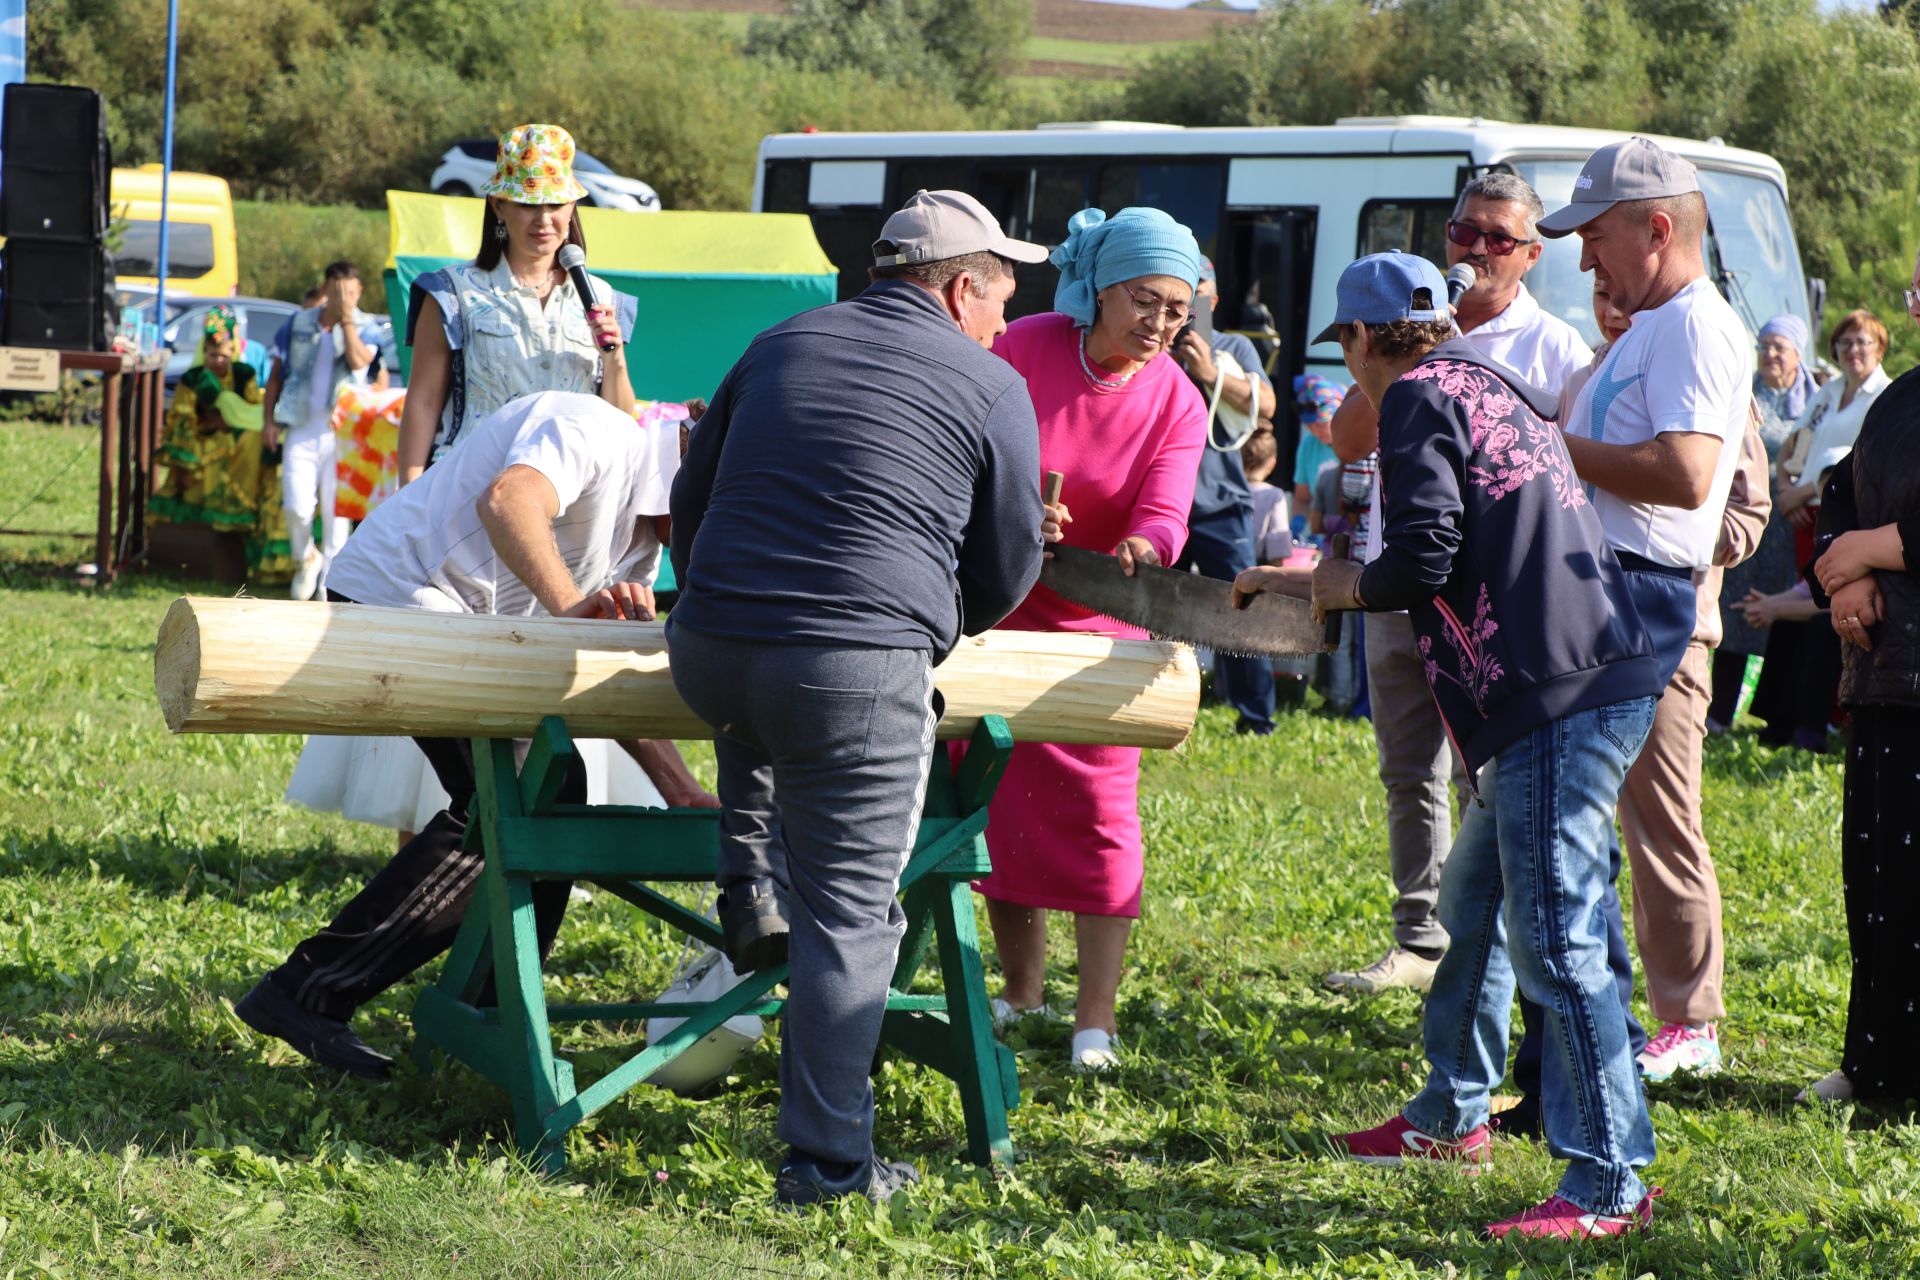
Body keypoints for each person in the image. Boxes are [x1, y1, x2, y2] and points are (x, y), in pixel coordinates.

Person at [1236, 252, 1662, 1240]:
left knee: (1557, 941)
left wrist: (1333, 582)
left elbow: (1423, 552)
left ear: (1358, 338)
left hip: (1555, 692)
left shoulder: (1420, 398)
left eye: (1341, 344)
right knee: (1472, 906)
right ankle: (1446, 1117)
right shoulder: (1487, 378)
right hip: (1570, 682)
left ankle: (1609, 1183)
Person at [666, 189, 1048, 1206]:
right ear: (961, 286)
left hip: (708, 649)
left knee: (759, 706)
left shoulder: (779, 341)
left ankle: (749, 884)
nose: (1006, 322)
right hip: (849, 666)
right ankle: (829, 1165)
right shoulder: (989, 380)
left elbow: (691, 505)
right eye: (1001, 296)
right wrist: (925, 619)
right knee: (850, 917)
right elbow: (1011, 563)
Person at [234, 390, 715, 1079]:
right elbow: (508, 501)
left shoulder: (646, 540)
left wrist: (682, 789)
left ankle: (493, 1015)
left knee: (553, 796)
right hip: (397, 595)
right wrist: (570, 610)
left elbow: (601, 668)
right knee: (519, 797)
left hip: (475, 626)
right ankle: (308, 990)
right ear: (696, 469)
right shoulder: (596, 430)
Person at [1322, 171, 1592, 996]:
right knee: (1410, 770)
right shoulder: (1408, 331)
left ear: (1532, 254)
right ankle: (1421, 939)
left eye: (1497, 239)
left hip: (1481, 603)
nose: (1476, 251)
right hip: (1396, 577)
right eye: (1463, 234)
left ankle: (1489, 949)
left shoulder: (1553, 347)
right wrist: (1404, 352)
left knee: (1491, 778)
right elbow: (1345, 439)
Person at [972, 205, 1207, 1074]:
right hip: (998, 613)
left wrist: (1146, 549)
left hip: (1100, 631)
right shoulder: (1024, 344)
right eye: (1144, 300)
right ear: (1099, 290)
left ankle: (1093, 1021)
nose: (1157, 324)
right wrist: (1012, 506)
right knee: (1000, 808)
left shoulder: (1177, 398)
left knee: (1103, 826)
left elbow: (1167, 509)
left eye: (1177, 310)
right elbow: (963, 445)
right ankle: (1022, 991)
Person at [1551, 281, 1770, 1087]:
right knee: (1578, 828)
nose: (1609, 305)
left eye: (1618, 291)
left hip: (1673, 632)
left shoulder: (1697, 377)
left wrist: (1676, 545)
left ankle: (1691, 1020)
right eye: (1598, 295)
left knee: (1662, 822)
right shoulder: (1592, 377)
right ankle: (1604, 1006)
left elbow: (1746, 512)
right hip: (1579, 627)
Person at [1800, 365, 1920, 1105]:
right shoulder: (1902, 395)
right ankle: (1880, 1060)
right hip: (1887, 673)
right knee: (1880, 877)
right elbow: (1840, 490)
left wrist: (1877, 549)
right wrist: (1846, 575)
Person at [398, 123, 636, 483]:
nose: (543, 220)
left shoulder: (601, 296)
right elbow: (423, 402)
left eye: (555, 204)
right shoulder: (450, 292)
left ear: (573, 206)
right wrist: (410, 500)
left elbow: (618, 419)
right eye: (528, 204)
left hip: (573, 493)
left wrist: (613, 357)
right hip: (471, 491)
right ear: (499, 205)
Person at [1747, 309, 1891, 751]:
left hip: (1844, 519)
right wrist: (1787, 487)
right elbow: (1795, 440)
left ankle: (1824, 720)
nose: (1852, 351)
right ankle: (1784, 720)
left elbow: (1862, 462)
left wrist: (1806, 491)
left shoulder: (1883, 396)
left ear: (1879, 348)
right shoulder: (1828, 392)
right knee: (1807, 614)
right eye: (1845, 342)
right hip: (1804, 517)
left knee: (1826, 615)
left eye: (1862, 342)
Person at [1174, 257, 1280, 734]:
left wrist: (1211, 373)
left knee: (1242, 611)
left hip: (1221, 501)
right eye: (1183, 295)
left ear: (1213, 300)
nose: (1193, 307)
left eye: (1200, 296)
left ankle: (1256, 718)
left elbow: (1269, 406)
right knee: (1158, 610)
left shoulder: (1234, 345)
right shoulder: (1152, 342)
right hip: (1164, 503)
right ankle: (1156, 703)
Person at [1707, 314, 1816, 730]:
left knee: (1783, 616)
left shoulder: (1813, 403)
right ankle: (1719, 715)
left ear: (1797, 355)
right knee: (1736, 614)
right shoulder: (1744, 392)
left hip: (1789, 526)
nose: (1769, 354)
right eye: (1764, 346)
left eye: (1779, 347)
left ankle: (1775, 714)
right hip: (1746, 520)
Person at [262, 261, 383, 600]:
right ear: (326, 288)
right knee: (297, 505)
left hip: (343, 434)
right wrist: (269, 421)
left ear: (359, 293)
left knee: (336, 515)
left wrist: (346, 321)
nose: (343, 297)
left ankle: (330, 586)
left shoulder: (366, 327)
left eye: (350, 292)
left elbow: (362, 365)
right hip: (301, 427)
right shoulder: (299, 323)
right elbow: (276, 375)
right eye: (337, 290)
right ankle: (305, 558)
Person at [150, 306, 291, 580]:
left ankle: (241, 556)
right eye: (212, 355)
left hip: (241, 450)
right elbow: (183, 421)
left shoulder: (243, 374)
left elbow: (253, 410)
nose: (218, 362)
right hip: (204, 447)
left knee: (253, 443)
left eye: (224, 356)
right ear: (204, 351)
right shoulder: (194, 379)